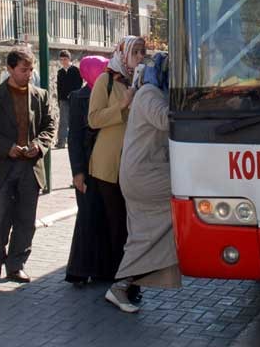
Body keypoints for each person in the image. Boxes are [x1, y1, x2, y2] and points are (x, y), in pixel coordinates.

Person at [0, 46, 55, 283]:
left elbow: (50, 127)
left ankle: (16, 264)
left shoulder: (40, 96)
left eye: (31, 69)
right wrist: (6, 146)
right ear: (9, 69)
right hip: (2, 166)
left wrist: (39, 145)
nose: (28, 74)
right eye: (23, 69)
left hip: (30, 167)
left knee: (25, 220)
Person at [106, 53, 177, 313]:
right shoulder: (149, 94)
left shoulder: (149, 92)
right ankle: (121, 286)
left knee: (143, 236)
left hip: (141, 173)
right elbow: (166, 119)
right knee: (186, 197)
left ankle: (125, 287)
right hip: (145, 174)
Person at [88, 36, 146, 288]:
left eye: (143, 52)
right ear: (123, 54)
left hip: (136, 162)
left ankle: (128, 273)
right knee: (117, 222)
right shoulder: (107, 81)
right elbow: (93, 119)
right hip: (109, 164)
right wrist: (122, 105)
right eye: (135, 52)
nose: (140, 57)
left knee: (133, 223)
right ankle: (117, 275)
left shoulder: (144, 83)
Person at [64, 55, 110, 285]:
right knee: (86, 217)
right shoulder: (79, 97)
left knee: (104, 217)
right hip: (87, 165)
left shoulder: (110, 92)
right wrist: (77, 172)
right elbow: (74, 137)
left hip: (107, 165)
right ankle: (79, 270)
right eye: (101, 69)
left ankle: (102, 269)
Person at [56, 50, 83, 149]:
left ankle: (74, 141)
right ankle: (61, 142)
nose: (63, 61)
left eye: (65, 59)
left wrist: (74, 96)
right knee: (63, 121)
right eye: (61, 59)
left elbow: (78, 85)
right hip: (63, 100)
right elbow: (59, 87)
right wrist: (59, 100)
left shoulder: (76, 70)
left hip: (74, 99)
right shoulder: (60, 72)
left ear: (69, 59)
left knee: (74, 121)